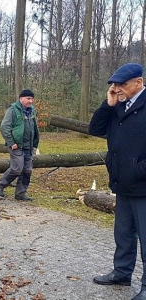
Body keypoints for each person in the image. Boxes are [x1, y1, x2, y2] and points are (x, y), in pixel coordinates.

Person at [89, 63, 146, 300]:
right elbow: (95, 129)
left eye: (121, 84)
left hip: (143, 184)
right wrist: (108, 104)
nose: (116, 88)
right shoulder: (118, 106)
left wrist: (138, 170)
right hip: (122, 183)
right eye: (114, 84)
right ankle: (122, 273)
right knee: (123, 233)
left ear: (139, 83)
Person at [0, 89, 40, 200]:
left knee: (27, 171)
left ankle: (20, 194)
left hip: (28, 146)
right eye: (28, 98)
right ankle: (1, 184)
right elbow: (4, 127)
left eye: (31, 99)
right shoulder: (13, 110)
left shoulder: (32, 110)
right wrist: (11, 142)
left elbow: (34, 127)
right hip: (16, 145)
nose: (30, 101)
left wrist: (34, 143)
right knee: (17, 168)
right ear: (21, 98)